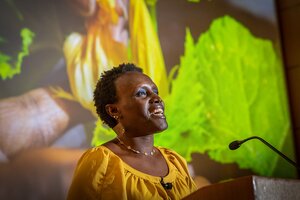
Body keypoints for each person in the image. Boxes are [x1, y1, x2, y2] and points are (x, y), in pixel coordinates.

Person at [67, 63, 197, 200]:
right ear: (114, 110)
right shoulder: (101, 162)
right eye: (141, 93)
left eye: (155, 92)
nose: (157, 98)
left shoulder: (175, 161)